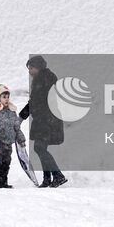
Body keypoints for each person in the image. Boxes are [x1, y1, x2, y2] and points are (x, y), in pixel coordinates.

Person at [19, 55, 67, 188]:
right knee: (41, 148)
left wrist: (21, 116)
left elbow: (35, 102)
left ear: (39, 67)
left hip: (47, 120)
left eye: (31, 67)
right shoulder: (43, 79)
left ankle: (58, 176)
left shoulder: (44, 79)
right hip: (45, 119)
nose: (29, 70)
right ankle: (47, 179)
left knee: (39, 148)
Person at [0, 83, 26, 189]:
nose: (6, 99)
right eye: (4, 97)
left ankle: (3, 182)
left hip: (7, 143)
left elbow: (16, 127)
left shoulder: (11, 112)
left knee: (6, 163)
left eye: (8, 97)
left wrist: (21, 139)